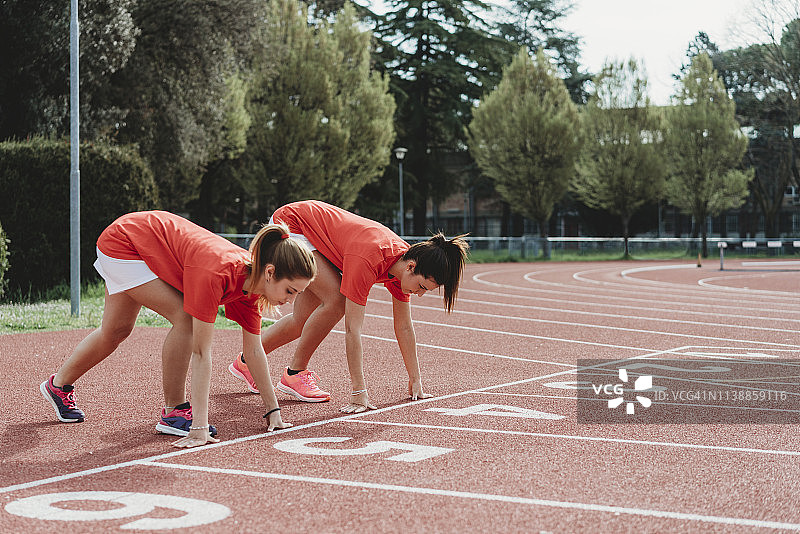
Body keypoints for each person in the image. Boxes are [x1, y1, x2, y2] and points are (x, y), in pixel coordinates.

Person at [40, 211, 316, 448]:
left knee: (116, 331)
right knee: (184, 319)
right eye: (290, 290)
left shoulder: (251, 289)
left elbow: (254, 350)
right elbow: (201, 353)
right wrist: (199, 424)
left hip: (141, 241)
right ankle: (174, 411)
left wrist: (273, 410)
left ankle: (58, 385)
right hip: (125, 241)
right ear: (270, 273)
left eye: (297, 293)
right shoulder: (219, 273)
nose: (291, 300)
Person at [228, 200, 469, 413]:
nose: (419, 295)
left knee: (303, 320)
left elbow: (404, 327)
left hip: (315, 234)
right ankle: (294, 374)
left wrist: (416, 380)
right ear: (411, 267)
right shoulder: (371, 257)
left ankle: (247, 362)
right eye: (422, 287)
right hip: (294, 224)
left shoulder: (401, 269)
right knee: (336, 300)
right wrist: (358, 391)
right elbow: (353, 330)